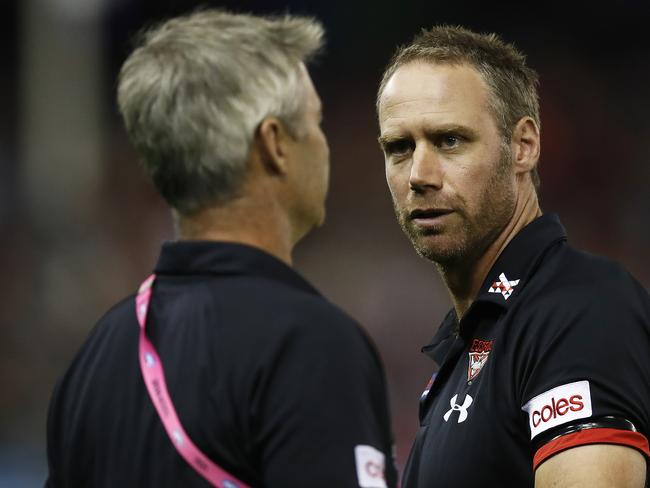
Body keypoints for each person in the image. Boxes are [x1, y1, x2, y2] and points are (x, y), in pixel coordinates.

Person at [45, 10, 397, 488]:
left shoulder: (98, 355)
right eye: (315, 122)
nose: (324, 145)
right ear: (273, 143)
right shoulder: (310, 345)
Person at [376, 26, 650, 487]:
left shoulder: (578, 311)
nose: (418, 175)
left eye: (449, 140)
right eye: (399, 147)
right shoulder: (472, 347)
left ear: (523, 146)